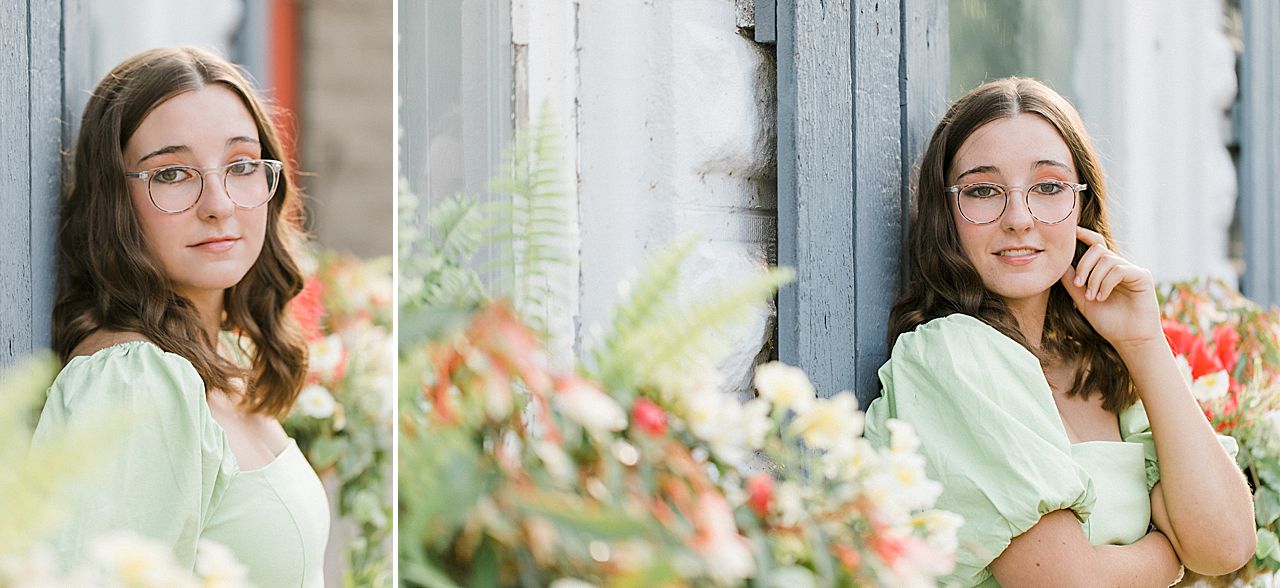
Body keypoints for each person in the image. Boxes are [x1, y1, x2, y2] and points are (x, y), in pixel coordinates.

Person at [864, 77, 1255, 587]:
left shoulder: (1103, 368)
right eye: (983, 191)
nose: (1019, 219)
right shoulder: (951, 355)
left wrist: (1143, 343)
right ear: (946, 216)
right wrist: (1169, 558)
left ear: (1081, 208)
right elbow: (1070, 582)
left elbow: (1225, 545)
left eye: (1048, 187)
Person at [32, 47, 328, 587]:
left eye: (240, 165)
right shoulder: (135, 382)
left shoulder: (220, 356)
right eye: (171, 174)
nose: (218, 203)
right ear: (115, 201)